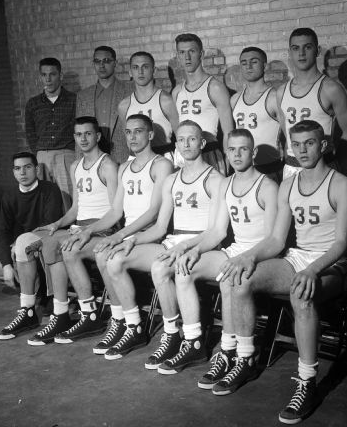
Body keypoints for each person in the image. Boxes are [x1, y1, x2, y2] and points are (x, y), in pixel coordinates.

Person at [220, 120, 347, 424]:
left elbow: (342, 243)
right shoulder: (288, 184)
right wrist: (248, 257)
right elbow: (277, 241)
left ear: (323, 145)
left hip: (333, 263)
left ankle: (306, 382)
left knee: (300, 292)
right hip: (298, 258)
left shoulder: (341, 183)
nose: (303, 150)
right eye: (297, 144)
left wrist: (313, 270)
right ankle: (246, 357)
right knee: (241, 280)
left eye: (310, 143)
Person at [95, 120, 223, 367]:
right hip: (172, 241)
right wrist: (128, 240)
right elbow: (160, 228)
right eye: (181, 139)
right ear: (176, 144)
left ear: (203, 143)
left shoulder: (215, 178)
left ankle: (173, 333)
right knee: (115, 260)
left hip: (201, 245)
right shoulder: (172, 180)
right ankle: (133, 327)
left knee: (159, 268)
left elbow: (215, 232)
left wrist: (185, 247)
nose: (186, 144)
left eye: (192, 139)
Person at [160, 128, 277, 384]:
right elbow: (216, 231)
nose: (237, 154)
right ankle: (193, 343)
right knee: (184, 268)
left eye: (243, 149)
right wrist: (192, 249)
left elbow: (272, 240)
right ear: (226, 152)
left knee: (228, 278)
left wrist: (248, 257)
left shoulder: (267, 186)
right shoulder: (225, 183)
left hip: (259, 254)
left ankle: (230, 351)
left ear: (253, 152)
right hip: (234, 250)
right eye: (232, 149)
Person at [59, 114, 173, 352]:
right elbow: (115, 212)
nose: (132, 136)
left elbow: (153, 212)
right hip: (130, 235)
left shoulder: (161, 165)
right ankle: (120, 321)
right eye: (128, 132)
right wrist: (87, 231)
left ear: (150, 135)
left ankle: (133, 326)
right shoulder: (123, 168)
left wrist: (119, 236)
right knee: (88, 249)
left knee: (107, 255)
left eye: (138, 131)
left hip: (153, 236)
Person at [23, 116, 119, 346]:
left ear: (97, 136)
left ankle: (89, 313)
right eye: (78, 134)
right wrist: (57, 224)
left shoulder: (107, 165)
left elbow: (116, 211)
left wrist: (87, 230)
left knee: (67, 249)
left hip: (103, 228)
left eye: (88, 134)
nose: (83, 139)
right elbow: (76, 209)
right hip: (78, 227)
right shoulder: (75, 166)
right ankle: (60, 313)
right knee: (44, 243)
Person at [0, 152, 63, 340]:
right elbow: (3, 232)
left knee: (25, 248)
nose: (22, 172)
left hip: (44, 245)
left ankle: (31, 306)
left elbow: (48, 226)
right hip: (19, 251)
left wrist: (20, 242)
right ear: (13, 172)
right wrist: (7, 265)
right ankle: (37, 292)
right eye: (17, 168)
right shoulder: (9, 196)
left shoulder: (50, 190)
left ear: (37, 169)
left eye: (27, 167)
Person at [277, 28, 347, 178]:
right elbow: (287, 134)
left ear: (317, 50)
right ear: (289, 52)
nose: (301, 53)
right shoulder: (281, 91)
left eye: (307, 47)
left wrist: (334, 162)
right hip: (292, 168)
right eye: (295, 48)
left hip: (322, 166)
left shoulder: (331, 88)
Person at [172, 33, 234, 174]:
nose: (187, 57)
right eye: (182, 52)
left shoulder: (215, 87)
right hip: (183, 157)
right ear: (177, 56)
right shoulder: (176, 92)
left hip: (208, 154)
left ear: (201, 54)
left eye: (191, 51)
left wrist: (228, 165)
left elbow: (228, 133)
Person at [25, 57, 77, 210]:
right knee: (45, 202)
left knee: (68, 199)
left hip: (66, 155)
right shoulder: (33, 103)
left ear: (60, 76)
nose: (48, 79)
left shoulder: (73, 100)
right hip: (43, 157)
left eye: (52, 74)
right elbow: (30, 132)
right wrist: (38, 153)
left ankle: (72, 231)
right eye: (44, 75)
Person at [231, 47, 283, 180]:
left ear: (264, 66)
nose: (248, 66)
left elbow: (288, 134)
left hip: (269, 169)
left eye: (254, 62)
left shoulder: (274, 97)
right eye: (243, 63)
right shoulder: (235, 99)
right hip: (243, 170)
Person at [118, 51, 179, 159]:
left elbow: (180, 136)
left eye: (145, 67)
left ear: (154, 70)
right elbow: (128, 140)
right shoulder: (124, 106)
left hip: (163, 156)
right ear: (130, 72)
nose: (140, 72)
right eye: (135, 67)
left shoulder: (166, 101)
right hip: (136, 159)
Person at [76, 46, 131, 164]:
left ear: (115, 63)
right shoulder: (83, 95)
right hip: (93, 159)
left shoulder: (129, 90)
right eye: (97, 61)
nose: (101, 65)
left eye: (106, 61)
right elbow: (80, 130)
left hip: (123, 157)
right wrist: (80, 161)